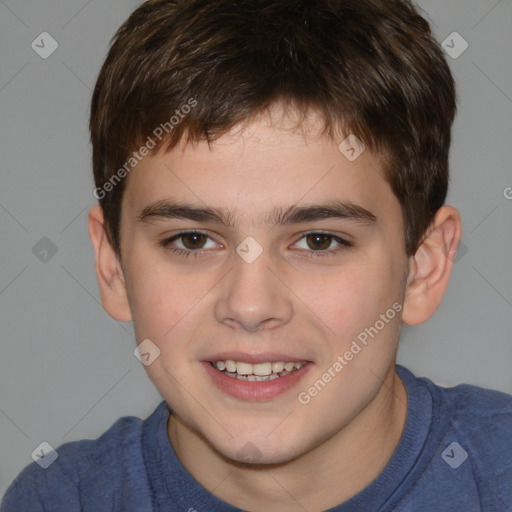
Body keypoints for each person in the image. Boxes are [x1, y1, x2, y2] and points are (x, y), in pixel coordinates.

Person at [2, 0, 511, 510]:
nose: (249, 305)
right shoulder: (57, 501)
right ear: (113, 266)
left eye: (319, 241)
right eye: (192, 240)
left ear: (423, 269)